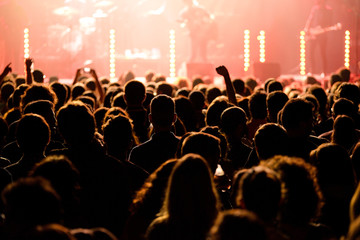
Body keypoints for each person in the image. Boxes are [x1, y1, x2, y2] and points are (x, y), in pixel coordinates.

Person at [304, 0, 334, 75]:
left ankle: (324, 71)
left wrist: (324, 28)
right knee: (311, 52)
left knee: (322, 53)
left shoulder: (329, 10)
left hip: (322, 34)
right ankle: (312, 71)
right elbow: (310, 19)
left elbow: (330, 23)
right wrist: (307, 28)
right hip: (313, 33)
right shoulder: (315, 9)